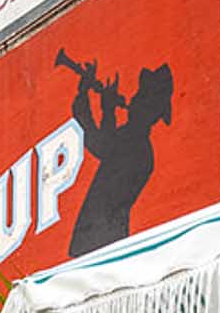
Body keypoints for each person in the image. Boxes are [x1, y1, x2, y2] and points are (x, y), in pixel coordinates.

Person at [59, 53, 174, 257]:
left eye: (141, 97)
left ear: (151, 111)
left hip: (102, 243)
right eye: (138, 95)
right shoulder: (131, 138)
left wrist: (101, 104)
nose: (134, 99)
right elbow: (103, 141)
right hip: (99, 240)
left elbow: (98, 143)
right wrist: (105, 107)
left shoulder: (137, 146)